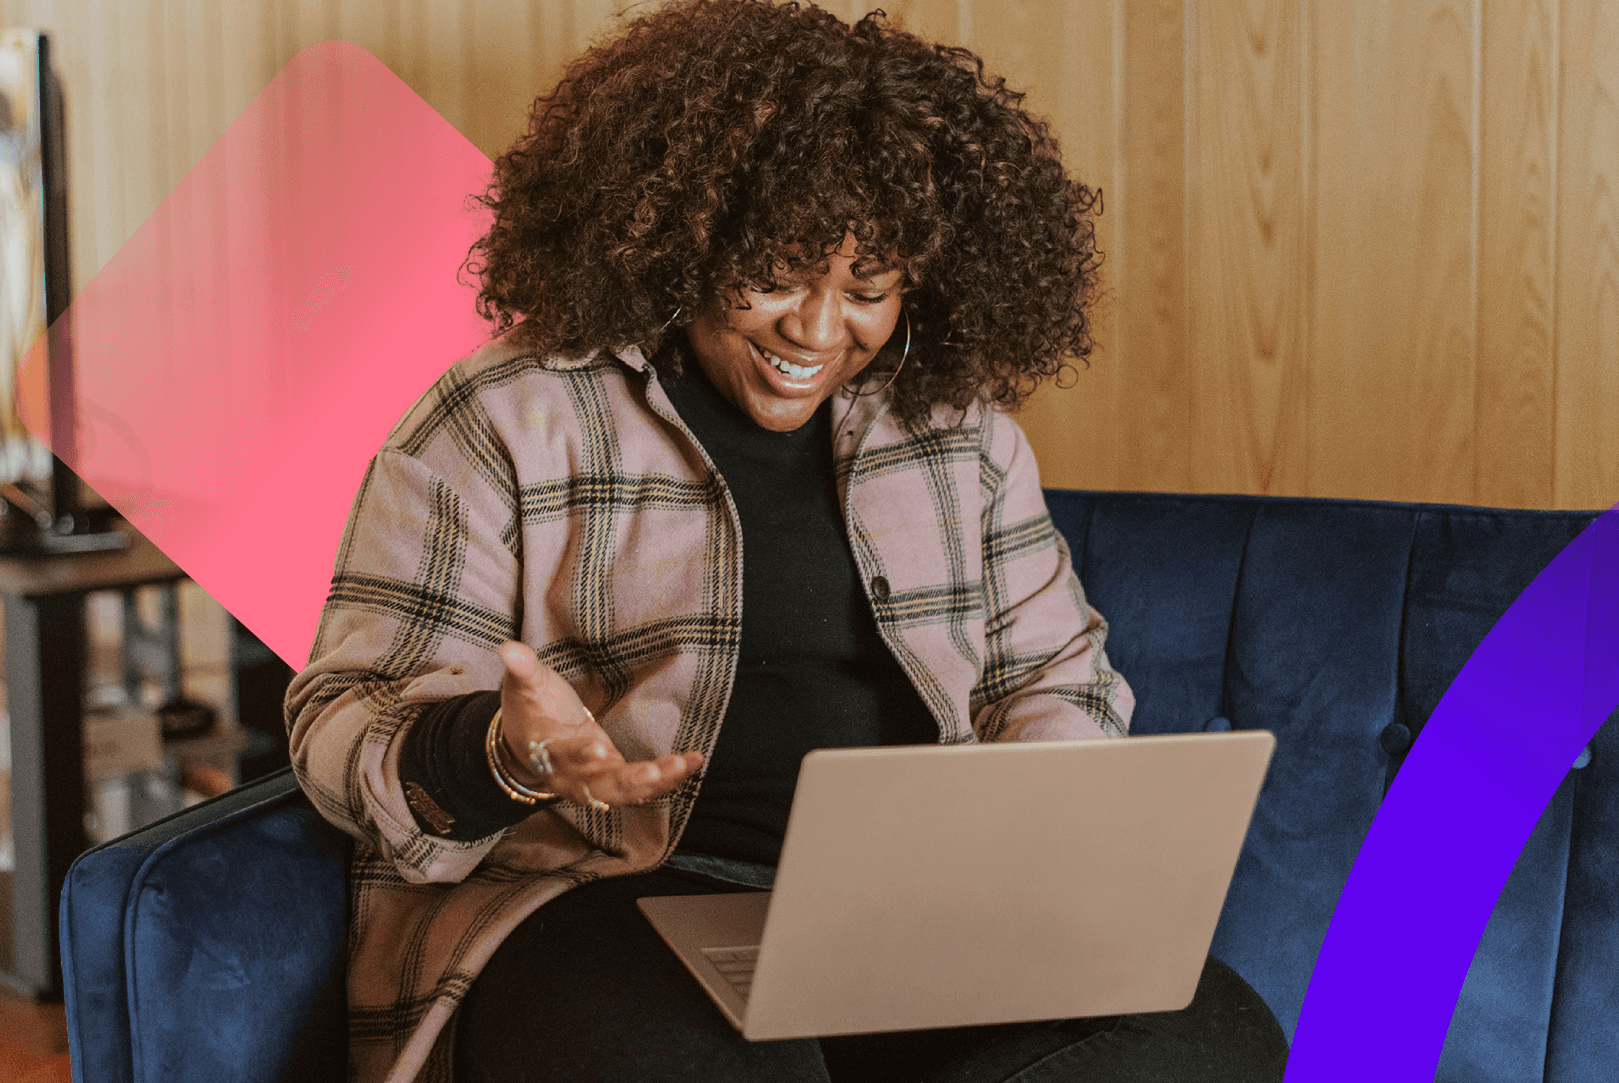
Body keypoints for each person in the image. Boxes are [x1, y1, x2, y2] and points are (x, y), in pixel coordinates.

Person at [285, 3, 1289, 1080]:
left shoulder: (962, 436)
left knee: (1206, 1039)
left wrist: (1023, 858)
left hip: (907, 921)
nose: (815, 333)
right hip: (601, 902)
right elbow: (340, 721)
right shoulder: (505, 419)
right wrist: (503, 750)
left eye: (867, 291)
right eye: (773, 276)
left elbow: (1053, 681)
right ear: (682, 240)